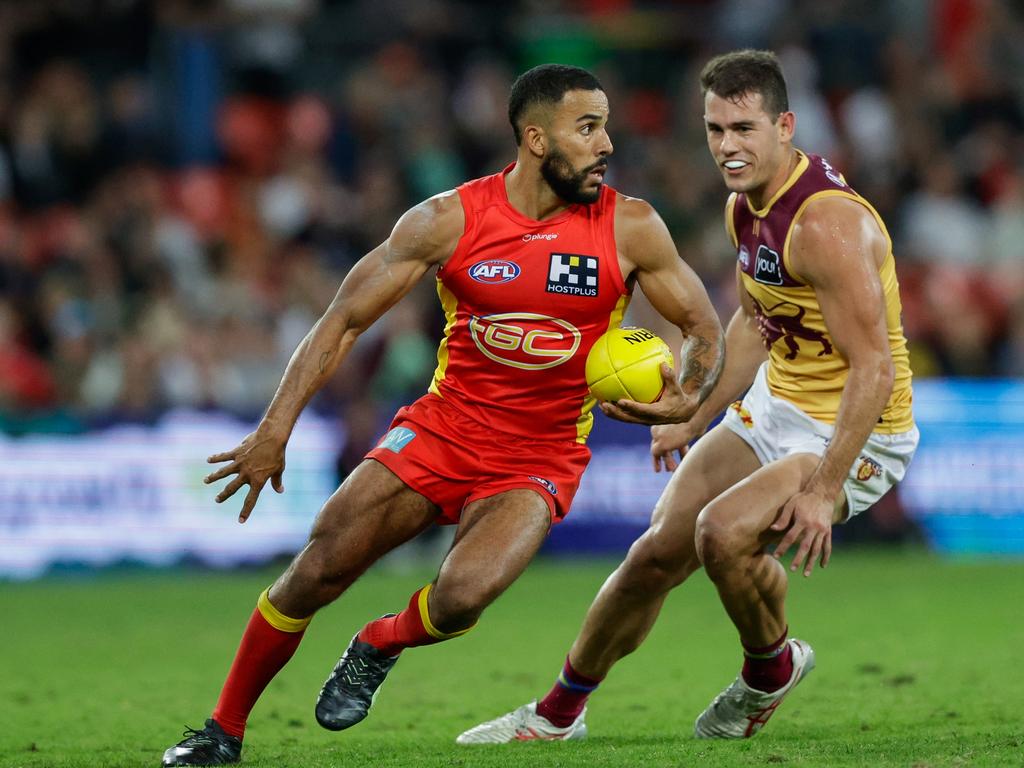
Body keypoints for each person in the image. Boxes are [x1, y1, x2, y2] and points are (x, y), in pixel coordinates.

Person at [161, 63, 725, 766]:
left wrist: (688, 397)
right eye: (588, 127)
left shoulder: (631, 227)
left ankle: (379, 643)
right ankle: (222, 731)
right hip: (442, 430)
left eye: (605, 125)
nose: (607, 143)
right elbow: (341, 321)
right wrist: (275, 430)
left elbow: (703, 325)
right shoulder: (447, 221)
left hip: (541, 454)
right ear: (536, 138)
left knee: (462, 598)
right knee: (317, 567)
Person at [458, 49, 918, 745]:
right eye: (715, 130)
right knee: (654, 555)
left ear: (785, 125)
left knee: (722, 533)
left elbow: (874, 368)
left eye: (743, 129)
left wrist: (824, 490)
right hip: (778, 405)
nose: (728, 148)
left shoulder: (825, 225)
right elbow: (755, 326)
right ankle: (556, 716)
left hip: (858, 427)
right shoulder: (745, 207)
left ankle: (769, 670)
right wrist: (692, 413)